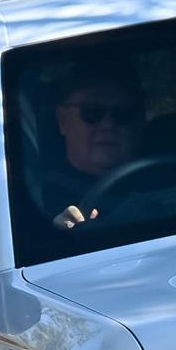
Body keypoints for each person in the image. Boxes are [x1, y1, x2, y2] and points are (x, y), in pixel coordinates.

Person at [45, 68, 143, 230]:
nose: (108, 125)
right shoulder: (38, 199)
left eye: (123, 114)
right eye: (92, 113)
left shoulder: (173, 179)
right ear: (63, 120)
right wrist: (59, 236)